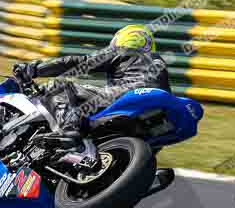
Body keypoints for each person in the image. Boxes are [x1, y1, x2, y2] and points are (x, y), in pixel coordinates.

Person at [12, 24, 171, 154]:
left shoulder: (123, 51)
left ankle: (68, 130)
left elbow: (79, 63)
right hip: (158, 114)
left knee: (59, 85)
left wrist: (35, 69)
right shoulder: (159, 63)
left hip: (126, 95)